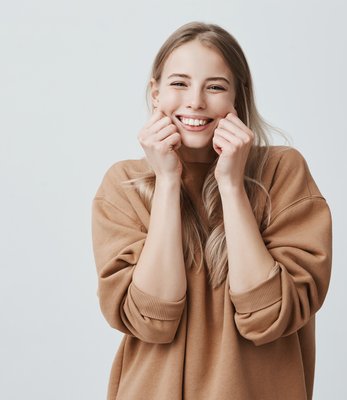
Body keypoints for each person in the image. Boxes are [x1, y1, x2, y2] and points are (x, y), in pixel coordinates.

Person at [91, 21, 333, 400]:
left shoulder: (283, 172)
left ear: (239, 96)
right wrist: (168, 182)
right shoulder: (124, 185)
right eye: (179, 83)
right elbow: (151, 321)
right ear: (155, 93)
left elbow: (268, 317)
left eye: (215, 86)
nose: (196, 101)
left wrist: (232, 185)